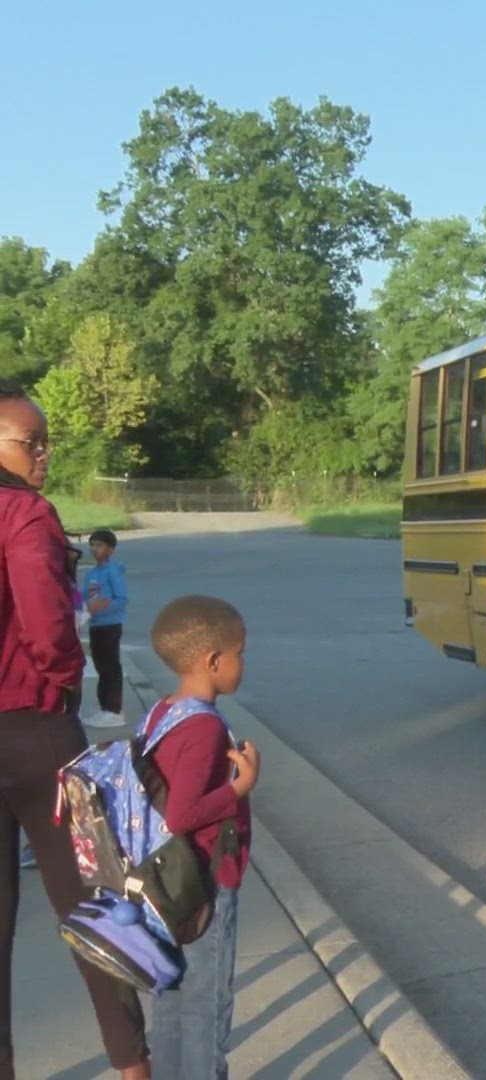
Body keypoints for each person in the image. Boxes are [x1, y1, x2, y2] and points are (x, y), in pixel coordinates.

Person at [0, 383, 152, 1079]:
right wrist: (60, 679)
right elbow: (46, 616)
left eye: (43, 441)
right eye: (30, 443)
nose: (43, 455)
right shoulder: (25, 514)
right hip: (37, 731)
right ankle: (132, 1065)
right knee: (96, 906)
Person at [143, 594, 260, 1080]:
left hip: (165, 882)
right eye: (240, 653)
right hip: (204, 883)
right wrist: (241, 787)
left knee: (170, 996)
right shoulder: (204, 728)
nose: (244, 662)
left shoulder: (162, 712)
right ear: (214, 661)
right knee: (206, 1004)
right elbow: (183, 813)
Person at [82, 529, 127, 729]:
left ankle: (114, 711)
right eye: (92, 544)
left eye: (99, 545)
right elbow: (83, 596)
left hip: (110, 625)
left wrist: (102, 607)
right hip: (95, 625)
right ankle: (105, 709)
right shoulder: (92, 572)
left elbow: (121, 599)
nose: (94, 549)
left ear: (111, 549)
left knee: (110, 668)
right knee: (101, 667)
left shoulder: (112, 571)